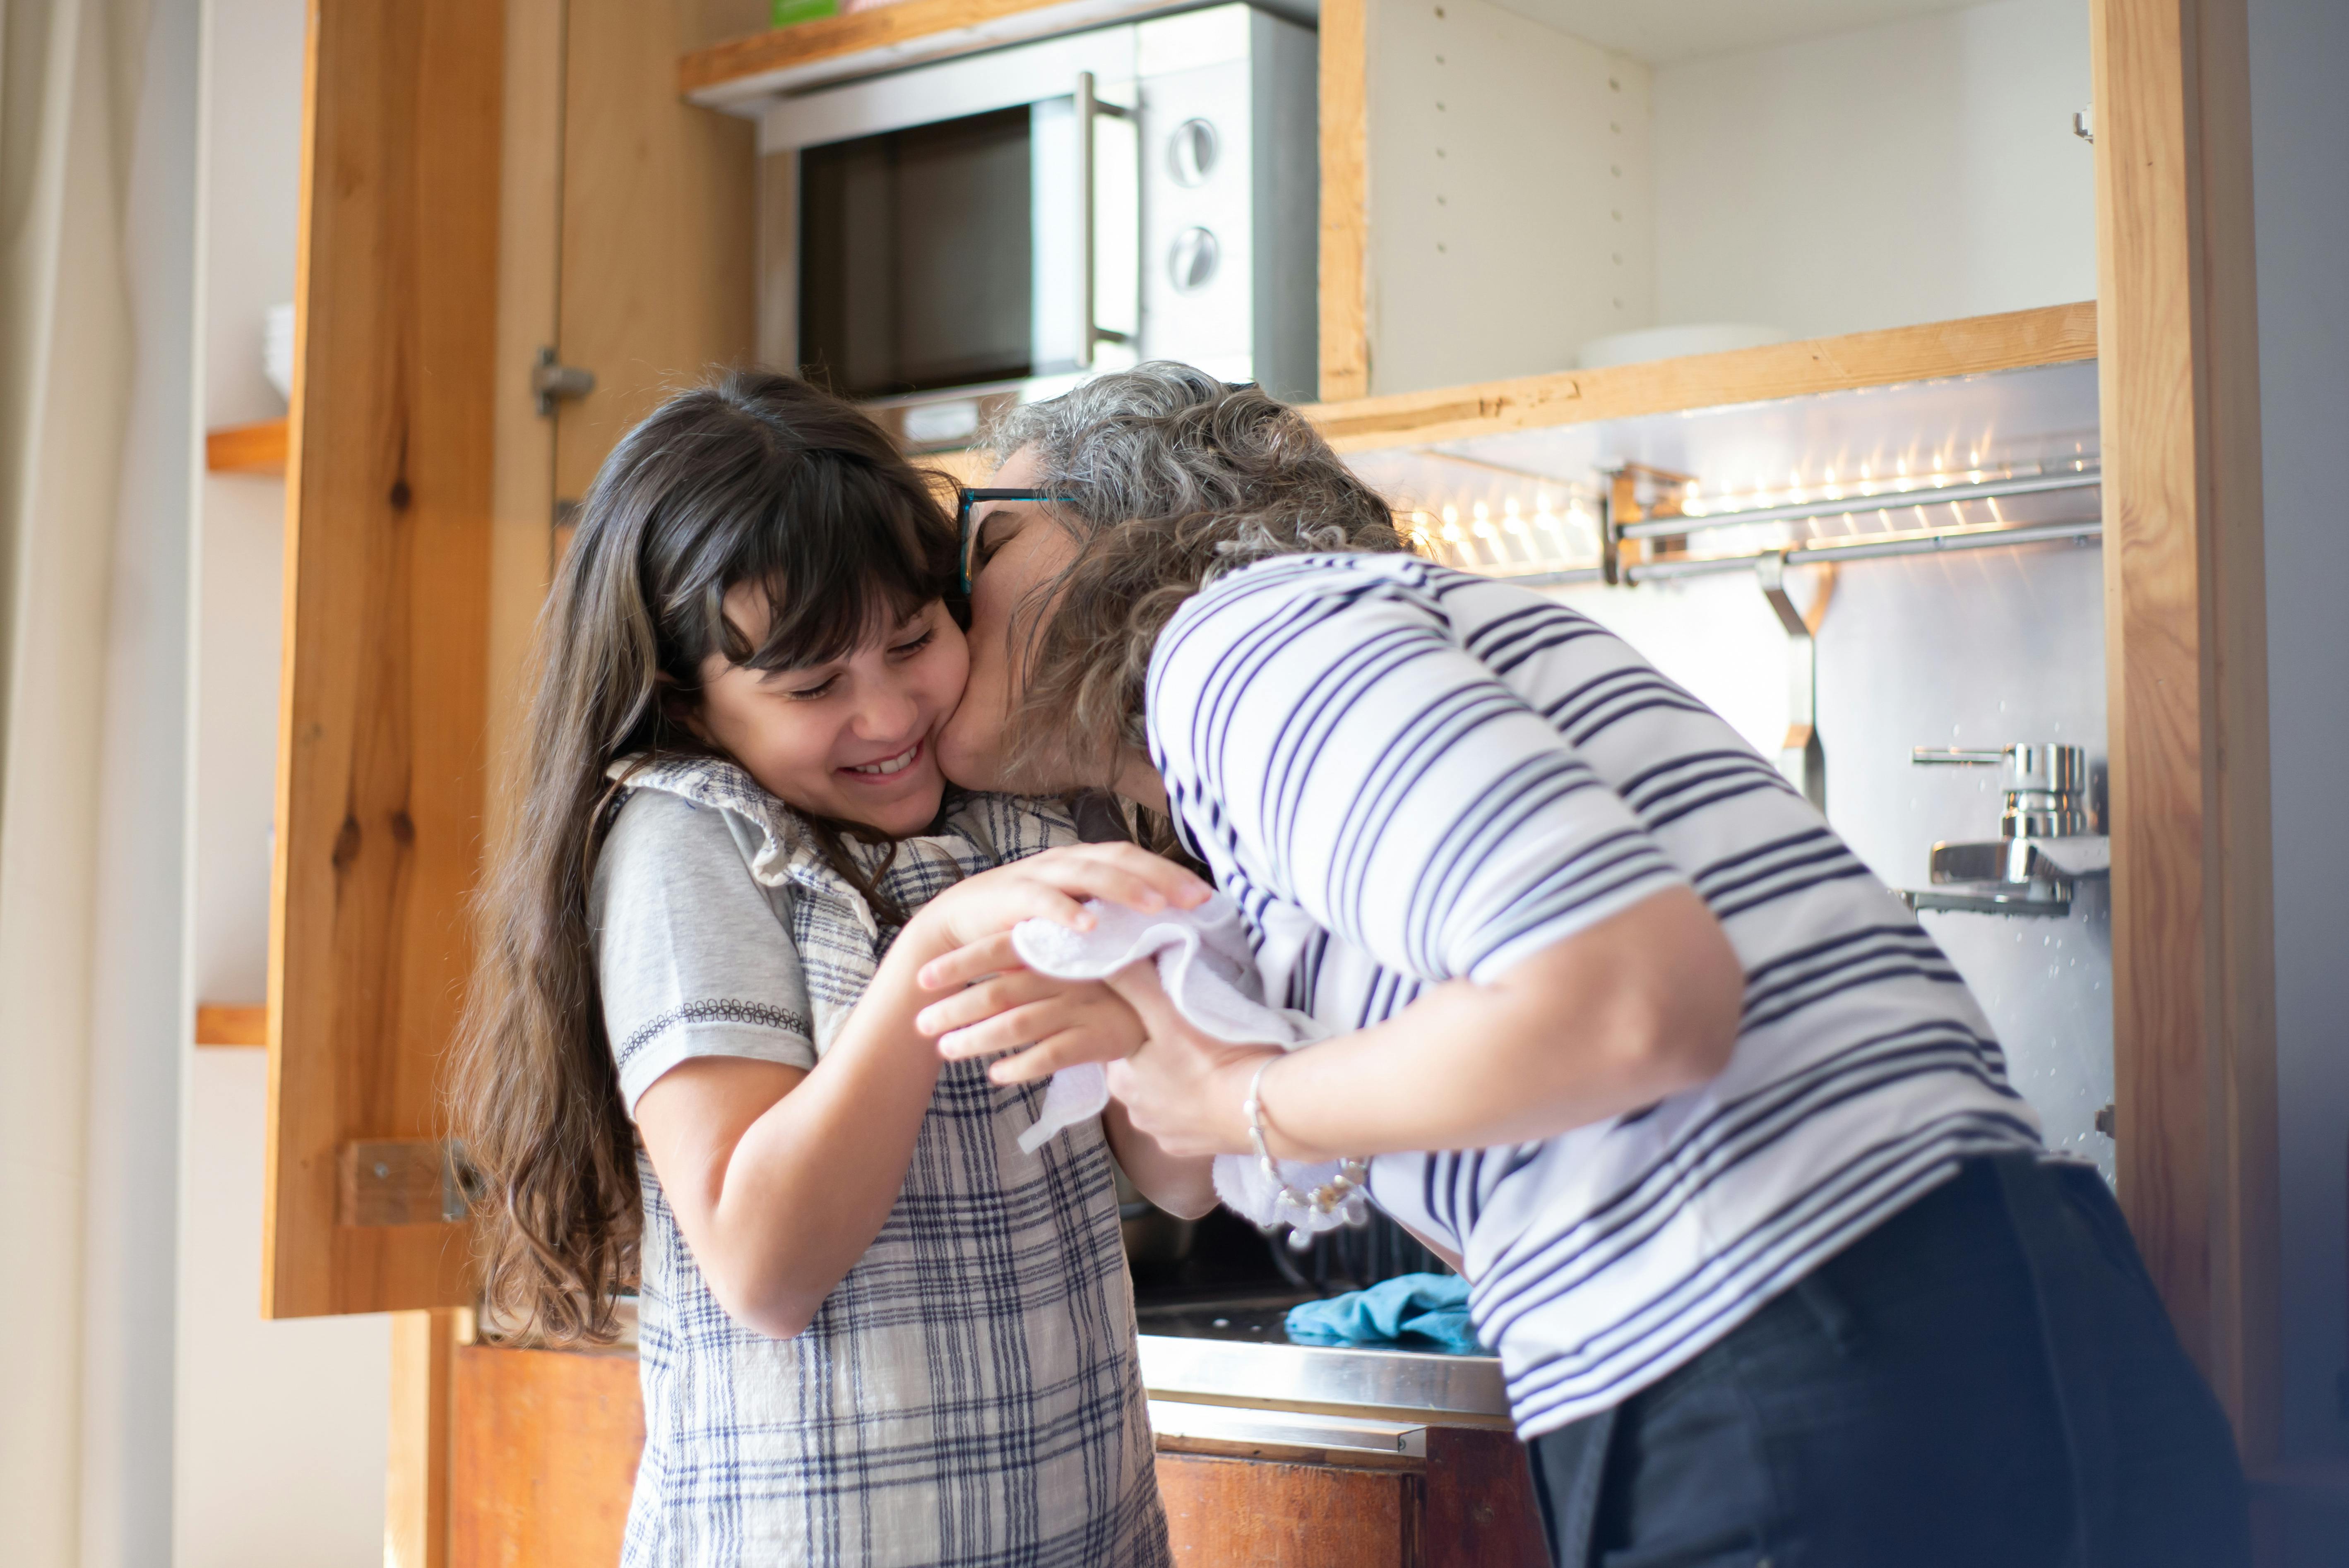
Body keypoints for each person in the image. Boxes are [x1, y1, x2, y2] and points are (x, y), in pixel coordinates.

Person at [914, 363, 2253, 1568]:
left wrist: (1238, 1098)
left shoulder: (1239, 644)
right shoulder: (1302, 706)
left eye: (983, 537)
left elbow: (1627, 1004)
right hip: (1943, 1318)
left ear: (1120, 531)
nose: (945, 595)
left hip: (1795, 1339)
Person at [447, 371, 1213, 1568]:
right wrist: (929, 958)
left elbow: (1179, 1178)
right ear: (686, 702)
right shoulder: (689, 840)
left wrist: (1174, 975)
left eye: (913, 640)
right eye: (812, 686)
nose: (889, 713)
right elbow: (765, 1270)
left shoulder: (1012, 804)